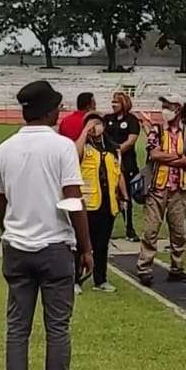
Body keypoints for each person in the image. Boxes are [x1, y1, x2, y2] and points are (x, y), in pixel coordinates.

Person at [0, 80, 94, 370]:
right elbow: (73, 198)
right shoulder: (62, 147)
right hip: (54, 246)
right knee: (57, 327)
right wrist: (86, 247)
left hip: (17, 247)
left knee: (17, 327)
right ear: (49, 111)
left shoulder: (5, 148)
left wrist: (8, 230)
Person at [135, 95, 186, 286]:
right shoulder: (157, 130)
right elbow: (155, 154)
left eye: (167, 106)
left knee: (179, 231)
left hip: (179, 188)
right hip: (157, 188)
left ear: (178, 109)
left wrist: (166, 157)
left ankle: (177, 268)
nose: (164, 110)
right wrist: (180, 157)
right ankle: (144, 268)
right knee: (151, 230)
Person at [75, 113, 126, 292]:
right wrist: (84, 132)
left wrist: (124, 197)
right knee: (81, 244)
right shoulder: (84, 146)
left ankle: (100, 280)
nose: (95, 127)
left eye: (97, 124)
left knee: (102, 245)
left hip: (108, 203)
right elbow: (75, 154)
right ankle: (76, 279)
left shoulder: (112, 148)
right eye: (91, 124)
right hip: (87, 203)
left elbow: (119, 173)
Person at [102, 92, 143, 241]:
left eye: (116, 102)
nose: (113, 105)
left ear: (124, 104)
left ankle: (129, 229)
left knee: (126, 197)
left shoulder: (132, 120)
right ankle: (106, 228)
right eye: (112, 102)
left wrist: (117, 151)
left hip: (126, 163)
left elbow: (131, 141)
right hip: (108, 163)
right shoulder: (107, 119)